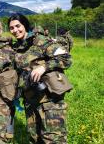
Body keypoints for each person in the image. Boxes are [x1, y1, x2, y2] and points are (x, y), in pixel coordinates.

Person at [8, 13, 72, 143]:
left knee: (53, 138)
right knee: (35, 138)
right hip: (30, 100)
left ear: (25, 25)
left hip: (49, 99)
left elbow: (66, 58)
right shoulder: (17, 47)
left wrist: (44, 67)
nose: (15, 30)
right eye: (11, 28)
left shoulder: (40, 41)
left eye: (18, 26)